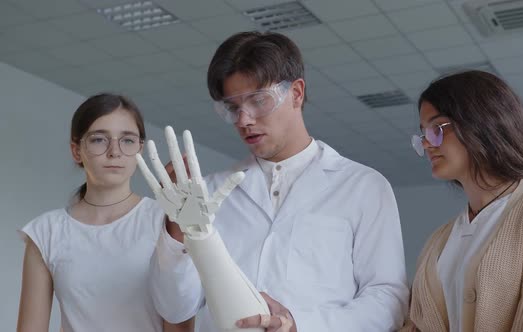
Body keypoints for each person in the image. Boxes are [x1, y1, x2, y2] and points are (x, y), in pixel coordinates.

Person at [148, 31, 410, 331]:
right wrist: (175, 230)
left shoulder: (363, 186)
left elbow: (388, 300)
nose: (244, 119)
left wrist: (301, 324)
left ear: (296, 93)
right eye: (232, 107)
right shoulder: (206, 194)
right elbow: (175, 307)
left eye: (258, 100)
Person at [402, 70, 523, 332]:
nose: (427, 144)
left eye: (437, 129)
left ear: (482, 123)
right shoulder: (438, 241)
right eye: (423, 134)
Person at [17, 94, 194, 332]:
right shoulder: (46, 231)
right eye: (99, 139)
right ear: (76, 150)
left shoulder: (165, 220)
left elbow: (180, 322)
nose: (115, 152)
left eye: (128, 140)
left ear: (140, 149)